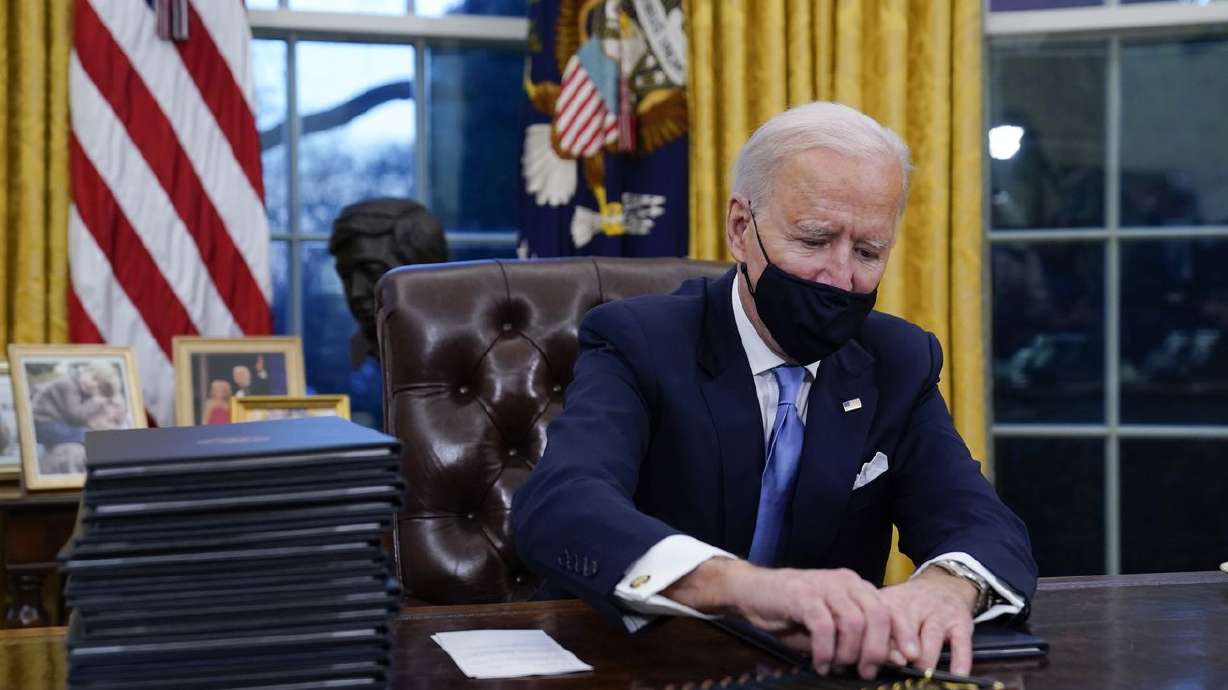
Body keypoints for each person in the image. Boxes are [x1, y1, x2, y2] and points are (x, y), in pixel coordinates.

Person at [512, 102, 1037, 681]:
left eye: (867, 252)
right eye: (814, 240)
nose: (839, 277)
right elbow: (562, 505)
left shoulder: (896, 360)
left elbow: (978, 519)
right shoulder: (639, 341)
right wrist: (743, 588)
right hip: (644, 667)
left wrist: (947, 587)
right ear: (741, 228)